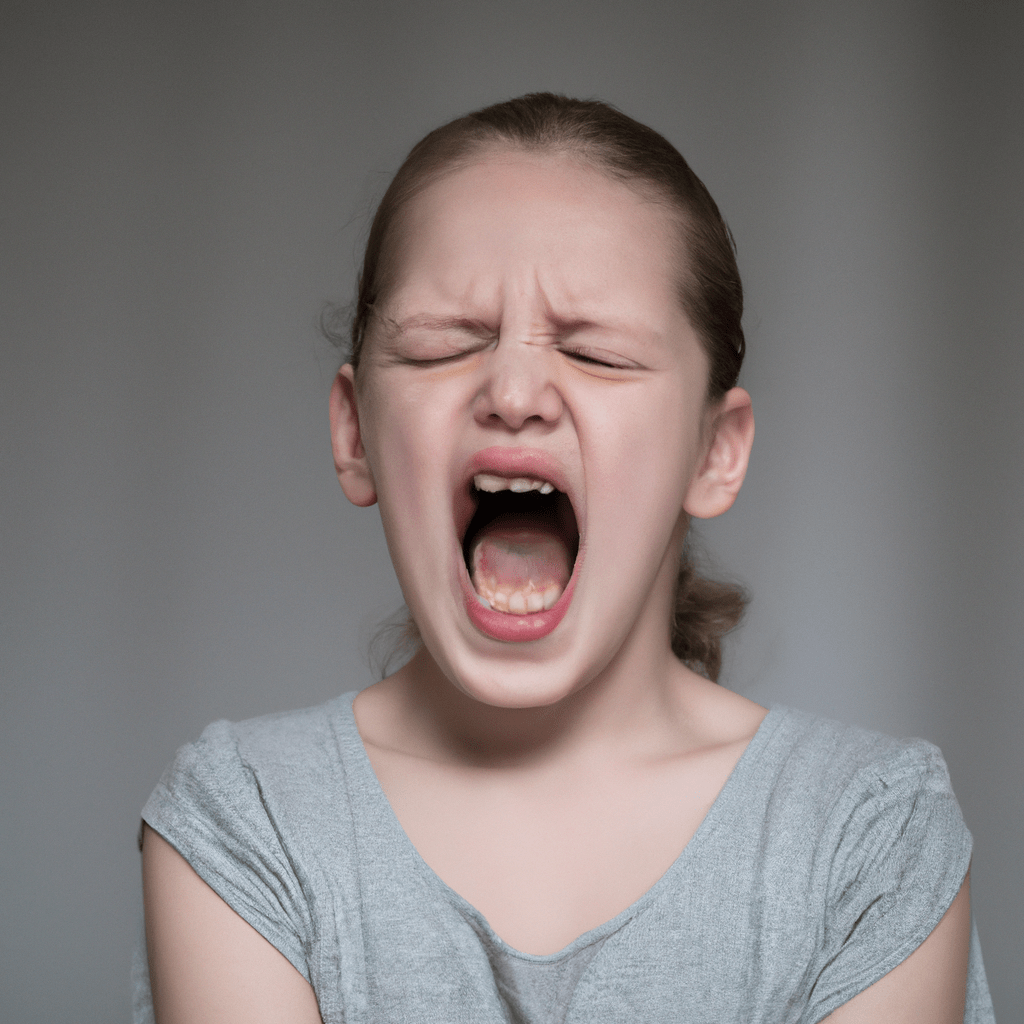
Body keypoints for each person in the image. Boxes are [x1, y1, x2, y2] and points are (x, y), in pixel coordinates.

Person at [136, 94, 995, 1023]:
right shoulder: (246, 816)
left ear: (716, 451)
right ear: (354, 432)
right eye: (441, 348)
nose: (513, 391)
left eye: (598, 356)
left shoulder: (868, 835)